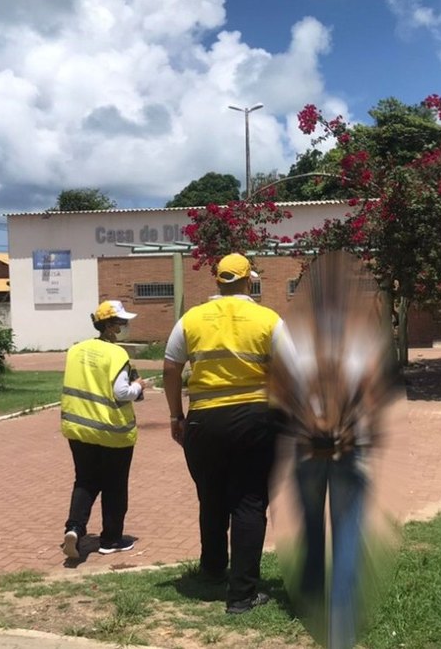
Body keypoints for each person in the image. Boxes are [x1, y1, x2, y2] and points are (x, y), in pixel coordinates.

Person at [268, 251, 401, 649]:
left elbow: (280, 396)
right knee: (346, 533)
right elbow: (376, 396)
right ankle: (340, 622)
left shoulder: (293, 336)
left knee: (311, 526)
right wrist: (371, 437)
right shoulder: (363, 337)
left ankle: (310, 598)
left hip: (307, 449)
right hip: (349, 449)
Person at [162, 253, 287, 614]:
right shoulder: (267, 319)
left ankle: (213, 569)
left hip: (203, 421)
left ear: (218, 281)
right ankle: (242, 594)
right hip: (254, 420)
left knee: (211, 496)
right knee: (249, 501)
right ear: (249, 281)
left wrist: (176, 415)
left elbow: (171, 368)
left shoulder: (191, 319)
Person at [60, 300, 148, 561]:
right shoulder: (117, 354)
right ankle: (111, 539)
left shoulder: (75, 350)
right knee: (114, 486)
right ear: (109, 326)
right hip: (112, 432)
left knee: (85, 481)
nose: (124, 327)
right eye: (121, 323)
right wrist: (139, 387)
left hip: (78, 429)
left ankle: (74, 528)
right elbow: (121, 392)